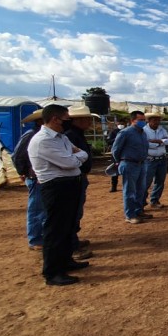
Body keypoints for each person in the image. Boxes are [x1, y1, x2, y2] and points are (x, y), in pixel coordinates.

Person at [28, 104, 90, 286]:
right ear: (55, 119)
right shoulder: (43, 140)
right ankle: (53, 272)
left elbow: (80, 154)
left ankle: (66, 261)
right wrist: (79, 157)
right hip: (56, 188)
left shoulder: (60, 137)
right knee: (55, 230)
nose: (68, 122)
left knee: (67, 227)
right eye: (66, 119)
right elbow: (69, 162)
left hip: (69, 185)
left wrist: (78, 157)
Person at [64, 105, 98, 260]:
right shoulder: (70, 135)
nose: (89, 121)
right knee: (72, 212)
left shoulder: (77, 134)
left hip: (79, 176)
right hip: (74, 177)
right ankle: (71, 247)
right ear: (77, 120)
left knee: (76, 211)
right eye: (86, 118)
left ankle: (74, 241)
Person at [12, 108, 45, 248]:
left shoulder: (40, 134)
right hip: (34, 177)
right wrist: (23, 172)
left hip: (40, 176)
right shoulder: (31, 135)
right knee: (36, 208)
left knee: (42, 208)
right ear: (40, 121)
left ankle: (40, 235)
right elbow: (17, 155)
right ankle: (35, 239)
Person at [112, 111, 152, 224]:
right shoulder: (125, 132)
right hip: (129, 164)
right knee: (130, 191)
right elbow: (115, 150)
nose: (143, 122)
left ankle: (139, 211)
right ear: (132, 120)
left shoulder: (143, 133)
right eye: (140, 120)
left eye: (144, 120)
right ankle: (130, 215)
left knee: (141, 190)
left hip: (142, 164)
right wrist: (120, 161)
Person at [143, 112, 168, 209]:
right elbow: (145, 144)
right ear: (149, 120)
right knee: (146, 182)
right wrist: (160, 142)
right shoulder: (144, 130)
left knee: (160, 181)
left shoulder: (162, 129)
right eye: (154, 120)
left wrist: (155, 142)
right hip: (149, 160)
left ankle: (154, 201)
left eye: (158, 120)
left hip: (162, 159)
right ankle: (141, 202)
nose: (157, 122)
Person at [105, 118, 127, 192]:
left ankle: (126, 186)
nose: (121, 124)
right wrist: (117, 139)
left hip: (125, 154)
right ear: (117, 123)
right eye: (120, 123)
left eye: (123, 123)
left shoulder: (128, 131)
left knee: (126, 171)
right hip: (116, 153)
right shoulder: (114, 131)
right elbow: (108, 141)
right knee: (115, 170)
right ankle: (114, 186)